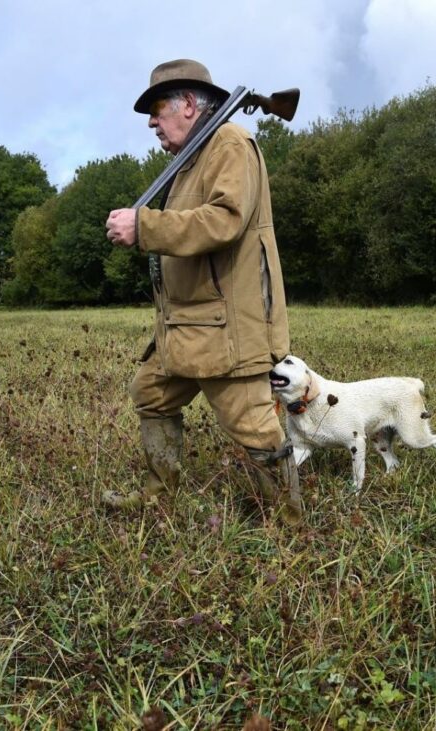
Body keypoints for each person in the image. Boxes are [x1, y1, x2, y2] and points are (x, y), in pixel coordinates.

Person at [104, 59, 301, 523]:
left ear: (189, 104)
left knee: (253, 426)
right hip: (186, 325)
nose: (152, 122)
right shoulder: (192, 157)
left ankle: (288, 525)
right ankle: (159, 496)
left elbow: (225, 220)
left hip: (226, 327)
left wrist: (144, 225)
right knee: (150, 393)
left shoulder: (229, 143)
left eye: (157, 108)